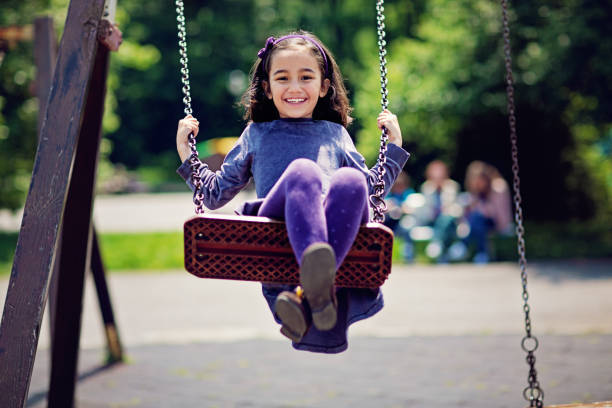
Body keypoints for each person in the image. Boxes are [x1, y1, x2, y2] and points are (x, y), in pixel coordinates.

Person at [175, 31, 410, 353]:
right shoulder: (257, 134)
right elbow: (214, 195)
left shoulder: (336, 134)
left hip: (331, 237)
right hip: (276, 230)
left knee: (351, 181)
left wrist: (393, 146)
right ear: (268, 88)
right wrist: (186, 151)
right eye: (283, 78)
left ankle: (312, 296)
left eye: (306, 77)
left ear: (324, 86)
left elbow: (368, 194)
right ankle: (314, 280)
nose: (295, 87)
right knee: (304, 171)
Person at [463, 161, 513, 263]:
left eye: (479, 180)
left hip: (498, 222)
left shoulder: (498, 188)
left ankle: (465, 245)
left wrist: (481, 209)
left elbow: (498, 213)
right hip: (479, 224)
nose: (477, 183)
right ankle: (481, 253)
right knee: (477, 219)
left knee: (478, 217)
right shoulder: (476, 192)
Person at [418, 160, 463, 262]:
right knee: (442, 222)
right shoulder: (427, 187)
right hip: (432, 220)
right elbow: (427, 209)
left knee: (445, 219)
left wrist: (446, 210)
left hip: (449, 220)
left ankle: (436, 243)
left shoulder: (452, 187)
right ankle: (446, 252)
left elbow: (455, 207)